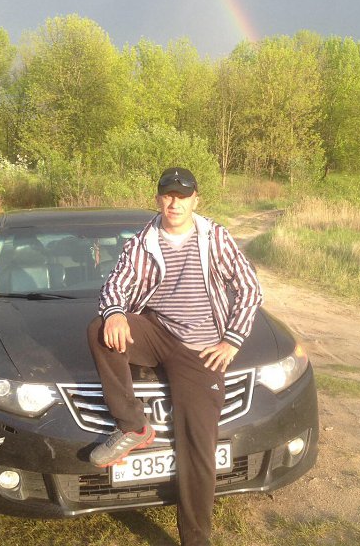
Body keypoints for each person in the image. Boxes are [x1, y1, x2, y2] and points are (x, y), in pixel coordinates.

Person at [87, 167, 263, 546]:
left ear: (195, 200)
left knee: (198, 447)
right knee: (100, 328)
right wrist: (115, 312)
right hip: (158, 334)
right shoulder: (144, 241)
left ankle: (195, 540)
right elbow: (116, 284)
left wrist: (232, 341)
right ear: (158, 199)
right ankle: (133, 426)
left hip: (200, 349)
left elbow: (249, 288)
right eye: (168, 195)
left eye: (182, 196)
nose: (174, 203)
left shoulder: (214, 237)